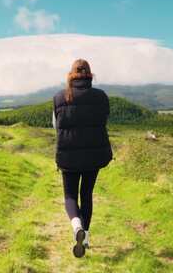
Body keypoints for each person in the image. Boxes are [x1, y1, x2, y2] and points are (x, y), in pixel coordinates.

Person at [52, 59, 113, 258]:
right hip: (93, 156)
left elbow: (55, 126)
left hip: (68, 156)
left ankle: (76, 226)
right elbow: (103, 121)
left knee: (70, 195)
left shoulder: (60, 97)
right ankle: (84, 238)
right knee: (86, 194)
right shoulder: (101, 96)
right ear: (89, 74)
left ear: (71, 74)